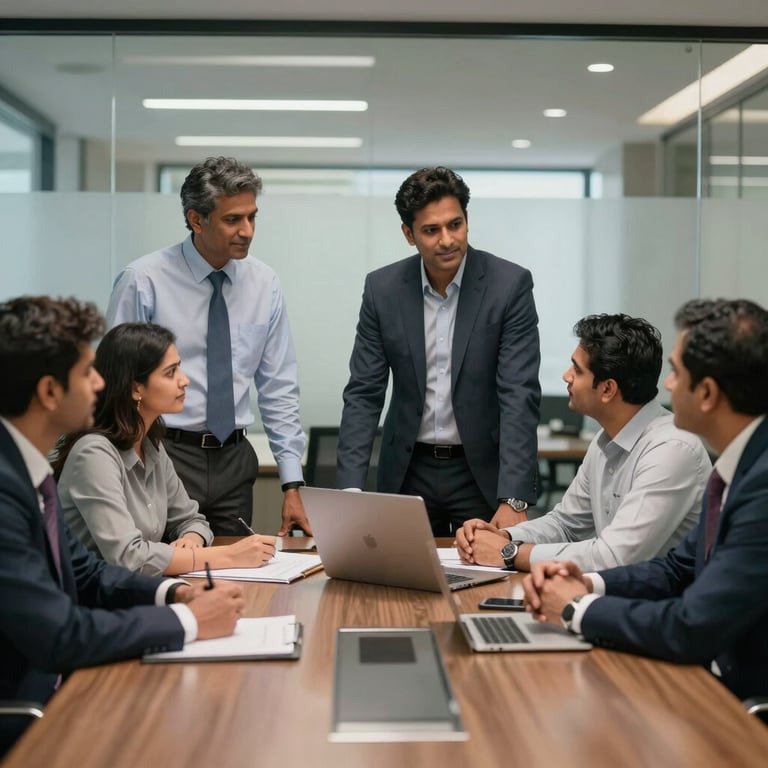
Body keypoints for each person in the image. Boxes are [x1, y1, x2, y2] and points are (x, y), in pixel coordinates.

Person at [0, 296, 244, 756]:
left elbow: (89, 574)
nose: (99, 384)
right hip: (37, 706)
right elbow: (61, 635)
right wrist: (188, 619)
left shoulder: (25, 471)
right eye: (87, 373)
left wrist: (174, 593)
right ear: (51, 392)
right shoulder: (7, 489)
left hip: (68, 674)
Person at [523, 298, 768, 701]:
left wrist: (576, 608)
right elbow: (676, 569)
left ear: (706, 392)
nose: (666, 385)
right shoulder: (739, 468)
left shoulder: (761, 486)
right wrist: (587, 582)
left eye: (675, 373)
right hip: (704, 674)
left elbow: (692, 625)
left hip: (737, 704)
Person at [107, 156, 309, 537]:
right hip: (163, 452)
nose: (247, 231)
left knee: (238, 576)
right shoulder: (143, 281)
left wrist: (292, 483)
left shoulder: (264, 283)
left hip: (234, 460)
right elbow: (116, 385)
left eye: (252, 217)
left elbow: (278, 387)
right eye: (233, 219)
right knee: (169, 575)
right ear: (196, 220)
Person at [336, 166, 541, 535]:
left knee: (486, 582)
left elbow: (518, 394)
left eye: (455, 225)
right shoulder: (383, 290)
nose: (447, 240)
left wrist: (514, 498)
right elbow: (364, 393)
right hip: (407, 471)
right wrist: (351, 491)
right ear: (408, 234)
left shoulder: (509, 286)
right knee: (398, 584)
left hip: (481, 474)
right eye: (431, 230)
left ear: (466, 220)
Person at [456, 313, 710, 571]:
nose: (567, 376)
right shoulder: (605, 439)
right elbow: (566, 524)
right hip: (618, 595)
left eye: (577, 369)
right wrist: (506, 536)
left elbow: (614, 557)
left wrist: (509, 553)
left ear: (607, 389)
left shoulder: (672, 450)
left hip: (661, 605)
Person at [55, 323, 277, 576]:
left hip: (131, 594)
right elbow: (129, 558)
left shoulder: (150, 446)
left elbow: (192, 519)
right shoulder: (93, 454)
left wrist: (191, 540)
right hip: (91, 603)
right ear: (135, 388)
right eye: (170, 372)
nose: (185, 380)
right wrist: (228, 555)